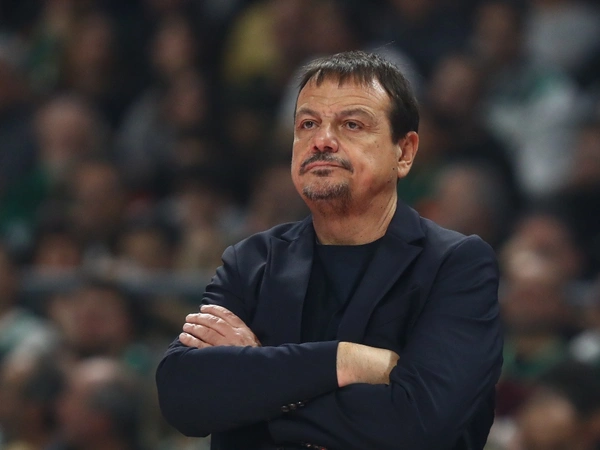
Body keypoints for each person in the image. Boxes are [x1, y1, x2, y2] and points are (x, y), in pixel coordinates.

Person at [156, 50, 503, 450]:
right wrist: (345, 361)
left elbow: (417, 425)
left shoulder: (456, 265)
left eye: (352, 124)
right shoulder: (250, 261)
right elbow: (181, 396)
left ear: (404, 152)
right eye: (307, 124)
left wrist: (258, 373)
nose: (321, 141)